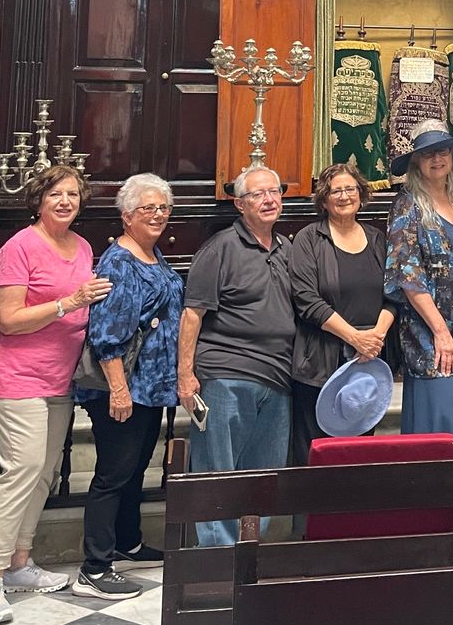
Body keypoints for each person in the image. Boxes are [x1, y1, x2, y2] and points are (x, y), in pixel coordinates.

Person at [0, 164, 111, 625]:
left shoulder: (82, 246)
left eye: (73, 195)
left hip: (59, 378)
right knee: (22, 469)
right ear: (38, 200)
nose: (65, 202)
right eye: (55, 194)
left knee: (43, 472)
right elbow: (7, 320)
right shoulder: (19, 247)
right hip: (16, 376)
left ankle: (19, 563)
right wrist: (70, 303)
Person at [75, 173, 183, 598]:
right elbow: (107, 334)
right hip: (122, 388)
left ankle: (127, 542)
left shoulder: (152, 253)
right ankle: (95, 567)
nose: (158, 215)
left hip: (151, 387)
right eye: (147, 208)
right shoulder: (119, 262)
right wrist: (119, 390)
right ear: (126, 216)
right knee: (113, 474)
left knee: (135, 468)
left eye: (163, 207)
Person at [177, 165, 294, 545]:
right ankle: (217, 556)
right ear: (240, 204)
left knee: (264, 474)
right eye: (258, 194)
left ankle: (247, 550)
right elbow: (192, 314)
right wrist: (185, 375)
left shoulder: (287, 248)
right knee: (218, 470)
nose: (269, 200)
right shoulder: (220, 248)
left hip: (277, 377)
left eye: (274, 192)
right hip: (226, 373)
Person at [385, 120, 453, 458]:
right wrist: (440, 332)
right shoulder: (407, 205)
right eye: (428, 154)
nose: (437, 159)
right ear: (416, 162)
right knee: (440, 424)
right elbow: (407, 274)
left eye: (442, 151)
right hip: (431, 336)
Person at [289, 163, 396, 464]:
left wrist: (375, 338)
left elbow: (394, 295)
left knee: (358, 455)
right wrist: (354, 338)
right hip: (321, 362)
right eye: (336, 191)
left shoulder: (377, 239)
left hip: (368, 362)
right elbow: (306, 300)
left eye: (351, 189)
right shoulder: (309, 239)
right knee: (315, 454)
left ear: (361, 194)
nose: (345, 196)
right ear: (324, 200)